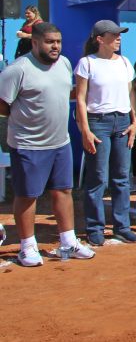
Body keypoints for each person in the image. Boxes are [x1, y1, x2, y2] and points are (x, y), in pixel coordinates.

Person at [0, 22, 96, 266]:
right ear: (34, 42)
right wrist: (23, 119)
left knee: (64, 191)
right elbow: (2, 103)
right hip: (28, 144)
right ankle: (27, 247)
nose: (55, 46)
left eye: (58, 42)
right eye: (50, 42)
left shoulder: (64, 63)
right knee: (27, 195)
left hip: (60, 142)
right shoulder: (18, 69)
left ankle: (68, 241)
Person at [74, 19, 136, 245]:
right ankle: (95, 228)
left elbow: (131, 94)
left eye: (119, 34)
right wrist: (85, 130)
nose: (119, 38)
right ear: (100, 39)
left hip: (122, 123)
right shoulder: (86, 63)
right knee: (98, 178)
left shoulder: (125, 62)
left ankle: (122, 227)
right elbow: (80, 100)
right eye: (114, 34)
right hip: (98, 123)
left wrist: (134, 121)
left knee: (122, 178)